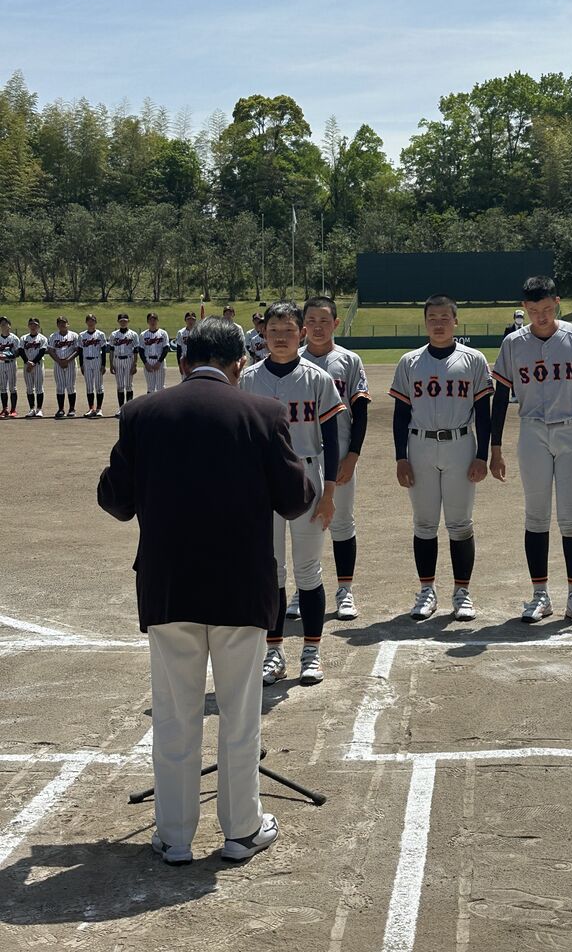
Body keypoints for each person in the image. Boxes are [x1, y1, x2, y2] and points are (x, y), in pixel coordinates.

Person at [97, 317, 314, 865]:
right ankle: (242, 829)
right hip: (241, 585)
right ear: (240, 363)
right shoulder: (264, 412)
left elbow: (114, 500)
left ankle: (174, 836)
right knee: (239, 714)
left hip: (170, 584)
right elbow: (295, 500)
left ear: (182, 361)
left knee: (174, 715)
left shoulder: (142, 413)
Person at [490, 275, 572, 626]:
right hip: (532, 431)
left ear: (557, 303)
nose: (540, 316)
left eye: (546, 309)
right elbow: (500, 397)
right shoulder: (513, 343)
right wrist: (495, 447)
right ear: (524, 308)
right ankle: (540, 595)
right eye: (533, 310)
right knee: (536, 517)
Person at [239, 303, 344, 687]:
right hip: (261, 481)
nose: (280, 337)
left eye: (288, 330)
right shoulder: (248, 380)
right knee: (271, 572)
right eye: (273, 330)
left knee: (308, 570)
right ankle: (274, 652)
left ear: (301, 333)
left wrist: (329, 492)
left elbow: (332, 440)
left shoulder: (318, 378)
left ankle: (312, 652)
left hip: (306, 474)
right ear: (263, 334)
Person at [389, 294, 493, 622]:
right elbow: (400, 413)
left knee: (460, 524)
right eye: (432, 317)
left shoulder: (474, 359)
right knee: (424, 523)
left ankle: (462, 593)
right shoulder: (409, 361)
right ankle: (427, 590)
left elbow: (484, 412)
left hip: (460, 444)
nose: (438, 323)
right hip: (419, 445)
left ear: (455, 321)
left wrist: (482, 455)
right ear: (425, 322)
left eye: (444, 317)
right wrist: (400, 457)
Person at [301, 296, 371, 621]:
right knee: (303, 523)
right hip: (302, 453)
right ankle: (304, 588)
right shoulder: (292, 360)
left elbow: (361, 411)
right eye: (311, 321)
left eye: (324, 321)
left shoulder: (349, 360)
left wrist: (353, 455)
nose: (318, 327)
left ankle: (345, 590)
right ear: (303, 325)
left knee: (342, 521)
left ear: (336, 324)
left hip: (340, 451)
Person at [109, 313, 141, 417]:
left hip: (129, 360)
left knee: (128, 385)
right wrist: (111, 364)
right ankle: (121, 408)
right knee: (120, 386)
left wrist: (135, 364)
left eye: (125, 321)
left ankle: (129, 409)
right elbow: (111, 350)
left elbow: (136, 350)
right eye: (121, 321)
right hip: (117, 360)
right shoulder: (114, 335)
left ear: (128, 321)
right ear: (118, 322)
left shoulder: (133, 334)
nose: (123, 322)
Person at [48, 316, 80, 419]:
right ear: (57, 325)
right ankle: (61, 409)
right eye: (60, 323)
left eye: (64, 322)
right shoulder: (53, 336)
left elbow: (77, 350)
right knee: (60, 387)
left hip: (71, 363)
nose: (62, 324)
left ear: (68, 324)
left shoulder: (74, 335)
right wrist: (59, 361)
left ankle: (72, 409)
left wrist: (67, 360)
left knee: (71, 386)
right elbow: (51, 350)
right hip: (58, 364)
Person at [77, 314, 107, 417]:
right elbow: (80, 351)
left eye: (92, 320)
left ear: (95, 322)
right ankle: (91, 408)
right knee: (89, 386)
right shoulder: (82, 335)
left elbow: (104, 350)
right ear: (86, 322)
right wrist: (81, 364)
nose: (91, 322)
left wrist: (103, 364)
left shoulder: (100, 334)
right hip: (86, 361)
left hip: (97, 360)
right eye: (89, 320)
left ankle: (99, 409)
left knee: (99, 386)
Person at [20, 318, 48, 417]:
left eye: (35, 325)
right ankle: (32, 409)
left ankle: (39, 409)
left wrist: (33, 363)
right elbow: (21, 351)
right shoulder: (23, 338)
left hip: (38, 365)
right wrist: (27, 362)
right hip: (27, 365)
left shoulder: (42, 338)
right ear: (28, 326)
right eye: (31, 324)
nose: (33, 326)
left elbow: (42, 352)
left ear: (38, 326)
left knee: (39, 388)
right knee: (29, 388)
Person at [139, 313, 171, 393]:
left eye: (154, 319)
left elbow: (166, 348)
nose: (152, 322)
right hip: (148, 361)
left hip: (160, 361)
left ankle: (161, 402)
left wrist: (159, 362)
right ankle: (150, 402)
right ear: (147, 321)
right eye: (150, 320)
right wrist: (145, 363)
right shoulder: (143, 335)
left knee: (160, 387)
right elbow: (141, 350)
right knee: (150, 388)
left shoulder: (163, 333)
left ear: (157, 321)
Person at [502, 310, 525, 403]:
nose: (519, 319)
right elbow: (504, 343)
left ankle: (523, 395)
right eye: (517, 317)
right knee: (513, 377)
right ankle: (514, 395)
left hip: (524, 357)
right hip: (512, 357)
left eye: (521, 317)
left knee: (524, 376)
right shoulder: (508, 330)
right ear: (514, 318)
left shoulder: (527, 329)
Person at [0, 317, 20, 418]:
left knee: (12, 387)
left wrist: (9, 355)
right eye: (1, 323)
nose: (3, 325)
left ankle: (13, 409)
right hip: (0, 364)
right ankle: (5, 409)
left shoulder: (14, 338)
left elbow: (18, 352)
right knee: (2, 388)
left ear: (9, 326)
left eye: (5, 323)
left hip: (11, 364)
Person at [175, 311, 196, 377]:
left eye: (192, 319)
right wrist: (179, 364)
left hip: (196, 361)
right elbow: (179, 349)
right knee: (185, 380)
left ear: (195, 320)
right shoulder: (181, 333)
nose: (190, 321)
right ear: (185, 320)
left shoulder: (199, 332)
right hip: (185, 361)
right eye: (188, 319)